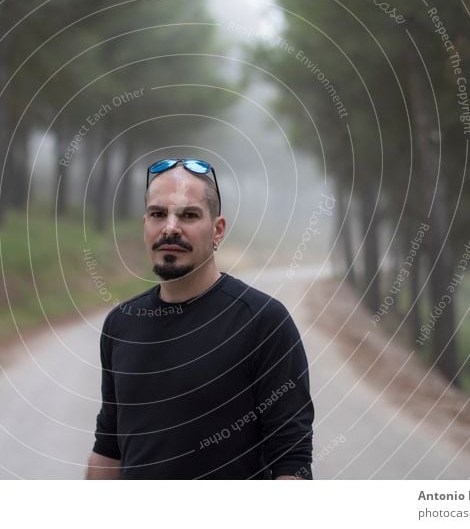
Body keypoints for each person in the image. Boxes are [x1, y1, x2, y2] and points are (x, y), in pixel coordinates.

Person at [85, 158, 314, 479]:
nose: (170, 228)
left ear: (217, 229)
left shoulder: (263, 321)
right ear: (145, 225)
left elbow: (291, 458)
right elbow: (108, 447)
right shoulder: (121, 325)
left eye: (189, 215)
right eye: (158, 214)